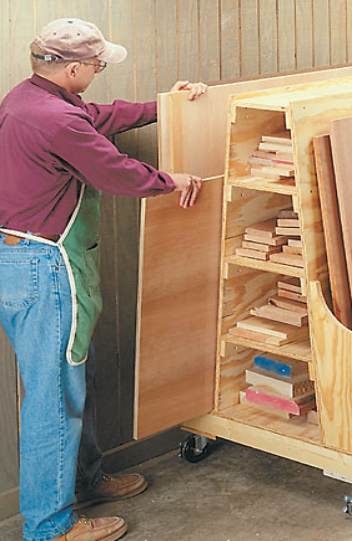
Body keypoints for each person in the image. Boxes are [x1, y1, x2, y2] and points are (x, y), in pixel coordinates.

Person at [0, 18, 207, 541]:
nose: (97, 73)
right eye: (94, 66)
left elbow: (102, 117)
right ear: (71, 67)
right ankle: (50, 527)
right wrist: (170, 182)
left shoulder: (30, 99)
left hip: (27, 260)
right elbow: (113, 169)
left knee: (72, 381)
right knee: (52, 398)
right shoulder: (56, 119)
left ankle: (86, 480)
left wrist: (169, 105)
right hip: (45, 268)